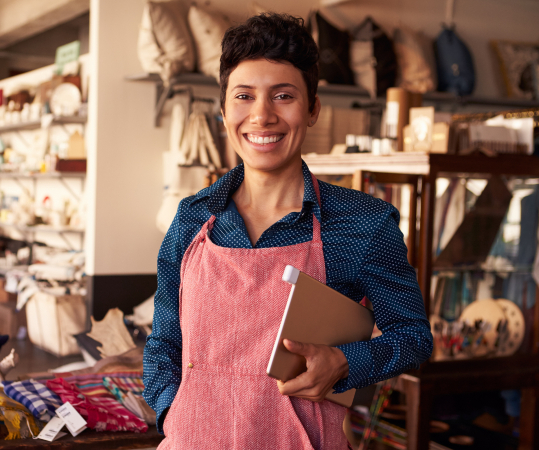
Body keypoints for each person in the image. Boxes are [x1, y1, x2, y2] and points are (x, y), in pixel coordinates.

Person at [142, 12, 433, 450]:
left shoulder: (363, 223)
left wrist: (344, 362)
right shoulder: (191, 220)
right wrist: (173, 415)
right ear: (223, 112)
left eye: (283, 96)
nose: (262, 116)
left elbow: (412, 337)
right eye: (244, 96)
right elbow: (164, 342)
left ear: (312, 109)